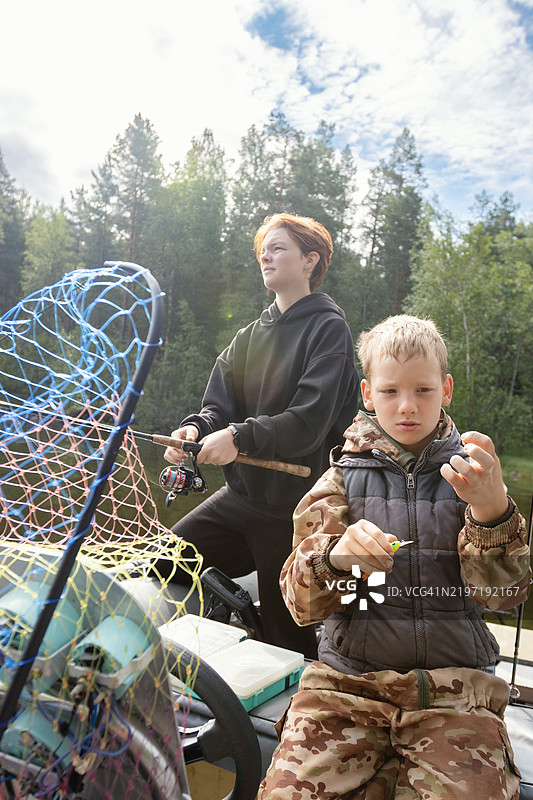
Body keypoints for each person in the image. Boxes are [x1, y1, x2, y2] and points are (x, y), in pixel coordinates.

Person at [259, 314, 530, 799]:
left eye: (423, 390)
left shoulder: (472, 475)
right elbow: (300, 607)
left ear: (446, 389)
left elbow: (502, 597)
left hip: (454, 695)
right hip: (344, 688)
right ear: (367, 394)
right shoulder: (338, 480)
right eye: (390, 392)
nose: (407, 407)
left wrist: (492, 510)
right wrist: (335, 558)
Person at [163, 213, 359, 658]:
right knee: (161, 564)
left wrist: (239, 437)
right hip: (239, 500)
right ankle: (229, 608)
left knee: (287, 641)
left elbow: (308, 422)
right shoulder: (249, 335)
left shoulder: (329, 329)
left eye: (278, 248)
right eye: (262, 251)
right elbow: (218, 407)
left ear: (311, 261)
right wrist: (195, 430)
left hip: (295, 514)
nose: (266, 256)